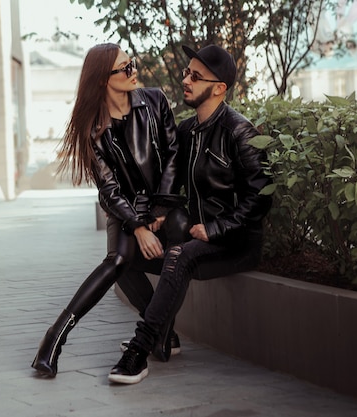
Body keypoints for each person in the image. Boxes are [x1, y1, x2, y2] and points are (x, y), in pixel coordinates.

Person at [108, 44, 273, 384]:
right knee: (122, 261)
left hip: (233, 242)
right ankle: (164, 335)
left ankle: (139, 350)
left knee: (177, 256)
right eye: (186, 72)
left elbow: (261, 197)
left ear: (219, 88)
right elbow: (168, 179)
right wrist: (156, 213)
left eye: (196, 76)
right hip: (196, 236)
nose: (186, 79)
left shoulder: (238, 130)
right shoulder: (186, 132)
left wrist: (217, 228)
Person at [31, 43, 189, 377]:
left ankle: (159, 331)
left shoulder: (155, 100)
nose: (134, 71)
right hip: (126, 209)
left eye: (133, 63)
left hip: (165, 204)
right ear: (104, 79)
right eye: (125, 67)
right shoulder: (93, 128)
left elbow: (173, 155)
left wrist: (159, 210)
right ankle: (54, 338)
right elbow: (109, 189)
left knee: (172, 242)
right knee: (120, 259)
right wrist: (139, 226)